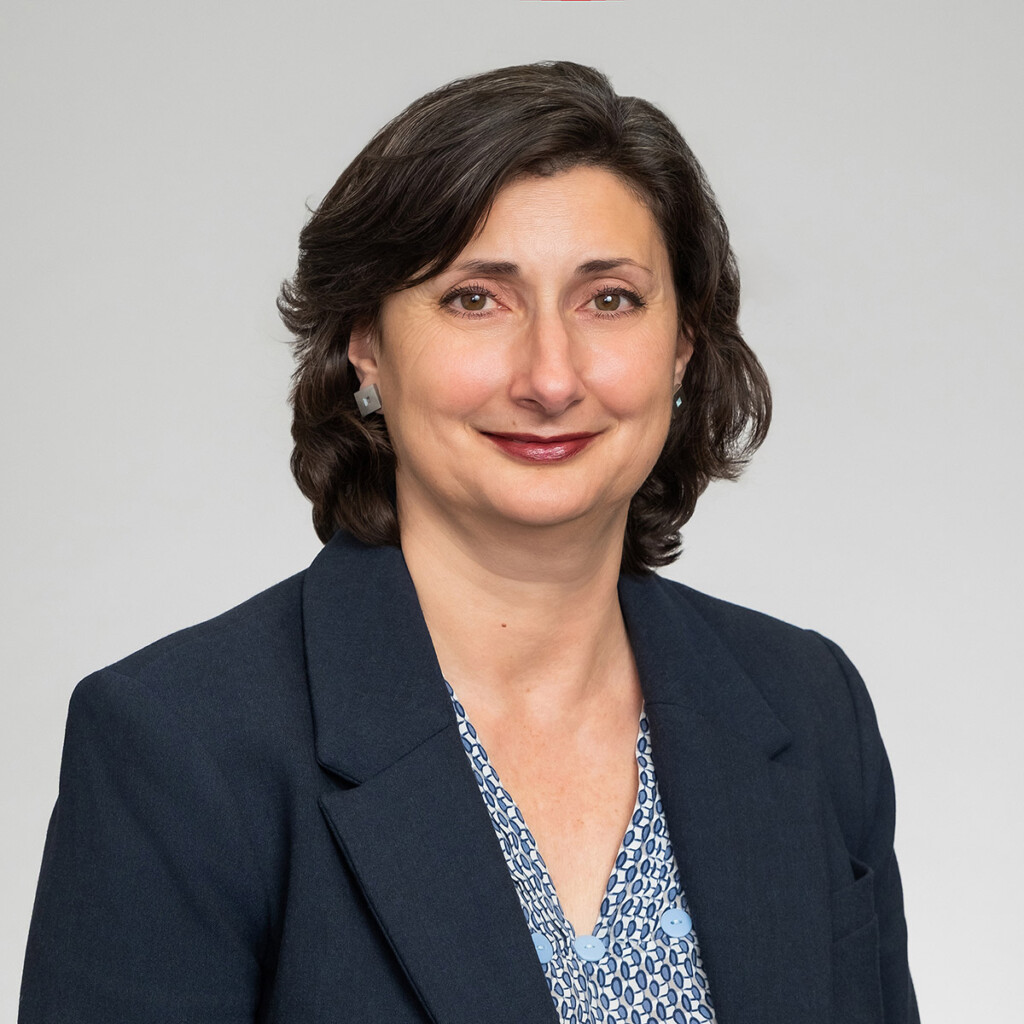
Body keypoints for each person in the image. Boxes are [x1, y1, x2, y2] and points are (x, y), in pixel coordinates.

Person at [19, 61, 917, 1023]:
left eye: (608, 298)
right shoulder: (180, 745)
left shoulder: (808, 708)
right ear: (365, 344)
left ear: (684, 346)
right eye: (474, 298)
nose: (550, 376)